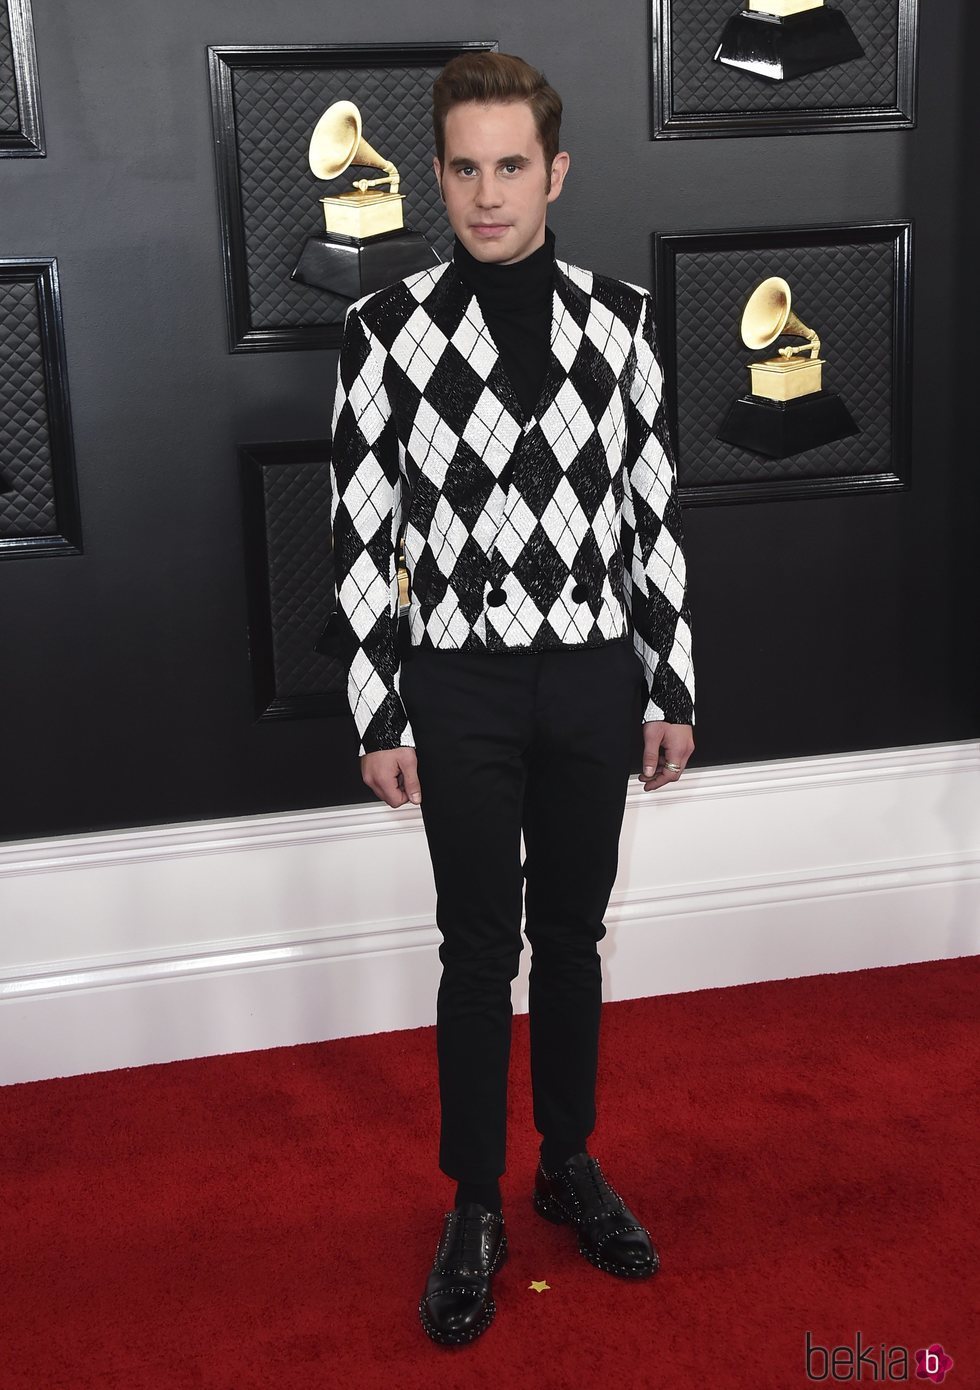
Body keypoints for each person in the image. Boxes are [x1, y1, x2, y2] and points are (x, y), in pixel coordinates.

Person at [325, 50, 696, 1348]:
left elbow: (651, 517)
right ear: (436, 176)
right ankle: (474, 1202)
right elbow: (364, 535)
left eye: (513, 167)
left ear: (556, 172)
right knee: (479, 947)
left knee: (577, 935)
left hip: (596, 677)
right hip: (461, 682)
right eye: (466, 168)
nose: (490, 194)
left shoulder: (623, 320)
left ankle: (570, 1161)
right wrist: (382, 710)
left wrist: (670, 681)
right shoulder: (387, 330)